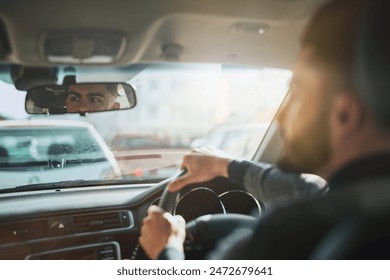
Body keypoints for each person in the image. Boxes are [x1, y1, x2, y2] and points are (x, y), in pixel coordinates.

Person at [140, 0, 390, 260]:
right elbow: (307, 192)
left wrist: (166, 249)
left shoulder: (283, 237)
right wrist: (224, 165)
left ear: (344, 115)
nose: (281, 114)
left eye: (297, 92)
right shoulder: (359, 203)